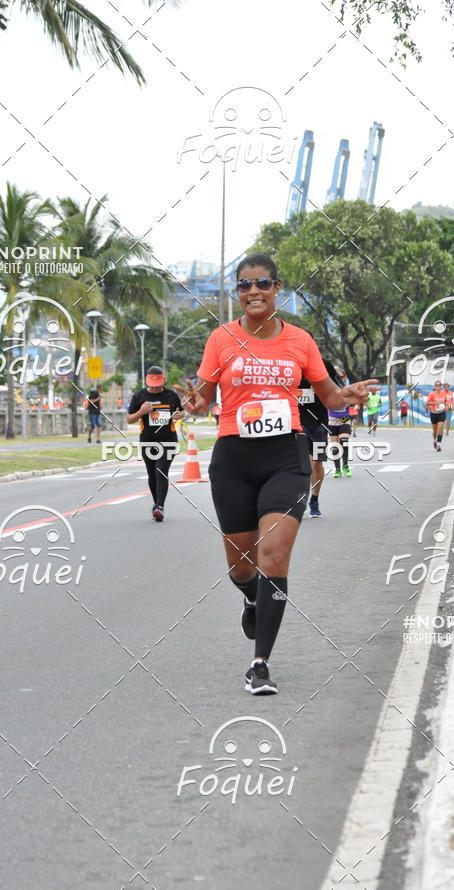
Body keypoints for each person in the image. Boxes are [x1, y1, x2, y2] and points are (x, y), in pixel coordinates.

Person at [182, 254, 377, 695]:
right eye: (244, 285)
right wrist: (193, 403)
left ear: (277, 289)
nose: (253, 292)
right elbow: (202, 393)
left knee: (274, 555)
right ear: (237, 292)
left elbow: (327, 395)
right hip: (233, 457)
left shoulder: (300, 341)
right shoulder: (221, 338)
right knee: (241, 565)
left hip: (286, 456)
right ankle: (251, 596)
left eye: (263, 284)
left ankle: (260, 664)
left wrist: (345, 396)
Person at [127, 366, 183, 522]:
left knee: (161, 471)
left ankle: (159, 507)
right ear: (147, 381)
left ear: (163, 380)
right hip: (147, 440)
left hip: (168, 440)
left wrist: (179, 414)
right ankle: (157, 503)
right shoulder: (139, 396)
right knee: (152, 473)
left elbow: (181, 411)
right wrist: (141, 412)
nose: (155, 387)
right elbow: (129, 419)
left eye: (158, 384)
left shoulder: (171, 395)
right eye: (152, 384)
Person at [298, 355, 342, 516]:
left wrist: (320, 388)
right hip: (295, 421)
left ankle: (314, 500)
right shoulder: (286, 362)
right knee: (303, 465)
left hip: (319, 424)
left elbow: (338, 389)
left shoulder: (323, 364)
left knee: (316, 463)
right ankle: (300, 500)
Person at [328, 406, 352, 478]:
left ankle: (345, 466)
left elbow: (352, 401)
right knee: (335, 447)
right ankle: (337, 469)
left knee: (344, 442)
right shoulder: (329, 394)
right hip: (332, 419)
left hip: (344, 419)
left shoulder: (345, 394)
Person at [424, 380, 449, 451]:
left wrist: (447, 406)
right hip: (434, 413)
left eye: (439, 385)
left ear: (441, 386)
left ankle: (438, 444)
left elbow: (446, 401)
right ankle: (435, 440)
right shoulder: (432, 394)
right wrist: (435, 403)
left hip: (442, 413)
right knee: (434, 431)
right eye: (436, 385)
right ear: (435, 386)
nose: (438, 386)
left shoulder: (444, 394)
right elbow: (427, 403)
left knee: (440, 429)